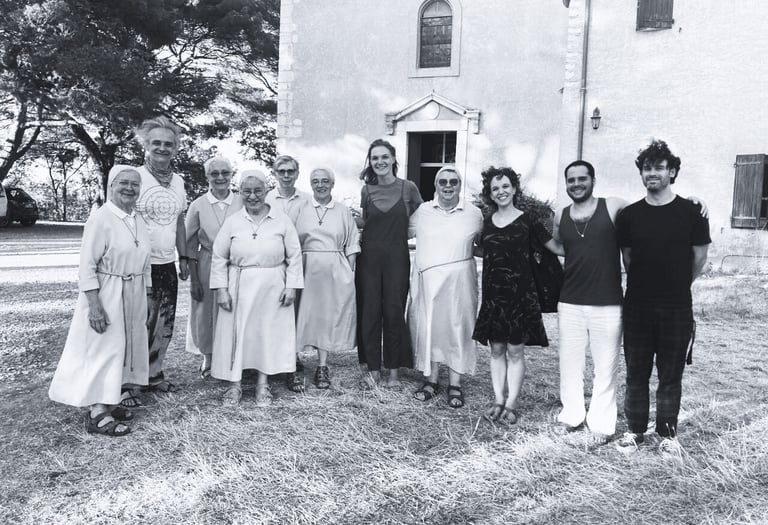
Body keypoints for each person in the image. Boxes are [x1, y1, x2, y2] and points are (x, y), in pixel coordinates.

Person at [615, 140, 710, 454]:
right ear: (641, 173)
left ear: (672, 172)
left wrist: (679, 284)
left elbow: (699, 258)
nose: (652, 173)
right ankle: (634, 432)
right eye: (647, 168)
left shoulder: (692, 212)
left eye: (659, 167)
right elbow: (628, 259)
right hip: (637, 306)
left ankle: (668, 436)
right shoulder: (629, 215)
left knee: (670, 375)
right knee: (636, 373)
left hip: (677, 307)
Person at [49, 165, 152, 436]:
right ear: (111, 185)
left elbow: (145, 260)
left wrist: (147, 292)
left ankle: (110, 399)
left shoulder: (137, 218)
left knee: (123, 349)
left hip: (134, 291)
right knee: (103, 348)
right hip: (107, 291)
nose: (129, 188)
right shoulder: (100, 218)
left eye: (135, 184)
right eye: (123, 183)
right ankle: (97, 412)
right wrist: (94, 305)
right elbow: (87, 266)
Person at [472, 167, 561, 425]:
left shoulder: (528, 220)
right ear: (490, 194)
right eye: (495, 188)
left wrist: (581, 237)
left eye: (505, 186)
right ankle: (498, 399)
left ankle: (511, 403)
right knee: (496, 349)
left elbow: (555, 247)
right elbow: (481, 250)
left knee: (515, 350)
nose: (501, 192)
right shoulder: (487, 222)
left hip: (521, 295)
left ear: (514, 189)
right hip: (493, 295)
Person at [209, 170, 304, 406]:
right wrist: (221, 289)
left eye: (258, 191)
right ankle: (234, 385)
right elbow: (219, 257)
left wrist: (292, 287)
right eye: (247, 191)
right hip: (239, 286)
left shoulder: (282, 220)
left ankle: (263, 384)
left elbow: (294, 256)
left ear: (266, 191)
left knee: (267, 333)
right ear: (240, 192)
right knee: (237, 333)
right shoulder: (232, 222)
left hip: (274, 285)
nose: (252, 196)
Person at [407, 167, 483, 408]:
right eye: (443, 182)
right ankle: (431, 380)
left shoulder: (474, 214)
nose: (448, 186)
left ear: (460, 185)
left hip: (460, 284)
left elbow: (485, 245)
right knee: (430, 327)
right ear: (436, 185)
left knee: (458, 328)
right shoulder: (423, 211)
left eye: (453, 182)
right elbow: (399, 233)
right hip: (429, 284)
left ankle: (455, 383)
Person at [356, 139, 423, 389]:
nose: (380, 162)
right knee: (370, 312)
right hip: (369, 259)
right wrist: (344, 220)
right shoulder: (366, 191)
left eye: (384, 157)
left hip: (397, 258)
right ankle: (373, 370)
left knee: (394, 312)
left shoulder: (409, 188)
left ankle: (394, 372)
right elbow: (366, 222)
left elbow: (421, 218)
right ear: (370, 162)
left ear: (394, 159)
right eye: (375, 158)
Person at [131, 116, 188, 400]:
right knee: (138, 324)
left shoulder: (178, 181)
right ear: (145, 145)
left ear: (176, 148)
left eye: (168, 144)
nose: (162, 148)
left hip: (166, 264)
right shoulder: (133, 177)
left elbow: (179, 221)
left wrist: (184, 256)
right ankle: (130, 382)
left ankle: (154, 374)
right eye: (156, 143)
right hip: (139, 265)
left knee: (164, 323)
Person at [295, 168, 360, 389]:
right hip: (306, 269)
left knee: (326, 318)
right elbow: (292, 241)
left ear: (332, 184)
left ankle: (322, 366)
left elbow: (352, 242)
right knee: (302, 315)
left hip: (335, 270)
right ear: (310, 184)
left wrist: (348, 272)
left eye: (325, 181)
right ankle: (293, 363)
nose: (320, 185)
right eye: (316, 181)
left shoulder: (342, 210)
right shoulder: (301, 208)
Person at [184, 156, 242, 379]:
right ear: (207, 176)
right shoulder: (197, 205)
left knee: (235, 309)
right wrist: (194, 280)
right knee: (205, 311)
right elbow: (190, 243)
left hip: (236, 264)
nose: (220, 177)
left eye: (225, 173)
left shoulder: (241, 201)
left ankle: (235, 357)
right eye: (214, 173)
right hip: (207, 263)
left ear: (231, 175)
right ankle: (208, 357)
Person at [266, 154, 310, 392]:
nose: (286, 175)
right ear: (274, 173)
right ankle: (269, 358)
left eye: (290, 171)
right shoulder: (266, 198)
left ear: (297, 173)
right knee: (272, 311)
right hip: (271, 263)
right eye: (281, 171)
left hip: (297, 261)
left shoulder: (307, 200)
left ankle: (291, 358)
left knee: (293, 312)